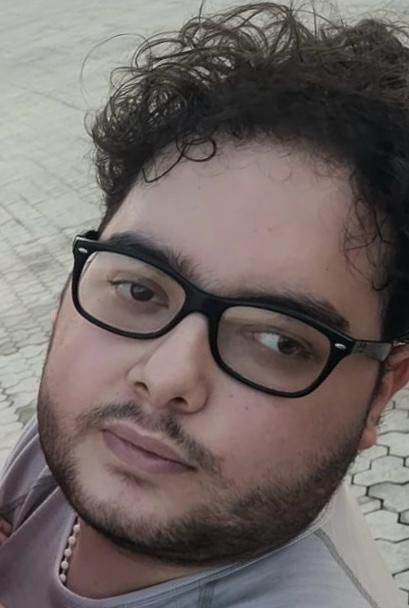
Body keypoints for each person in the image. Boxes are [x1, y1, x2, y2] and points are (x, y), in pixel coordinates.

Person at [0, 2, 408, 606]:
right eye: (140, 290)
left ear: (381, 391)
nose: (164, 377)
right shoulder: (86, 431)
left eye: (279, 341)